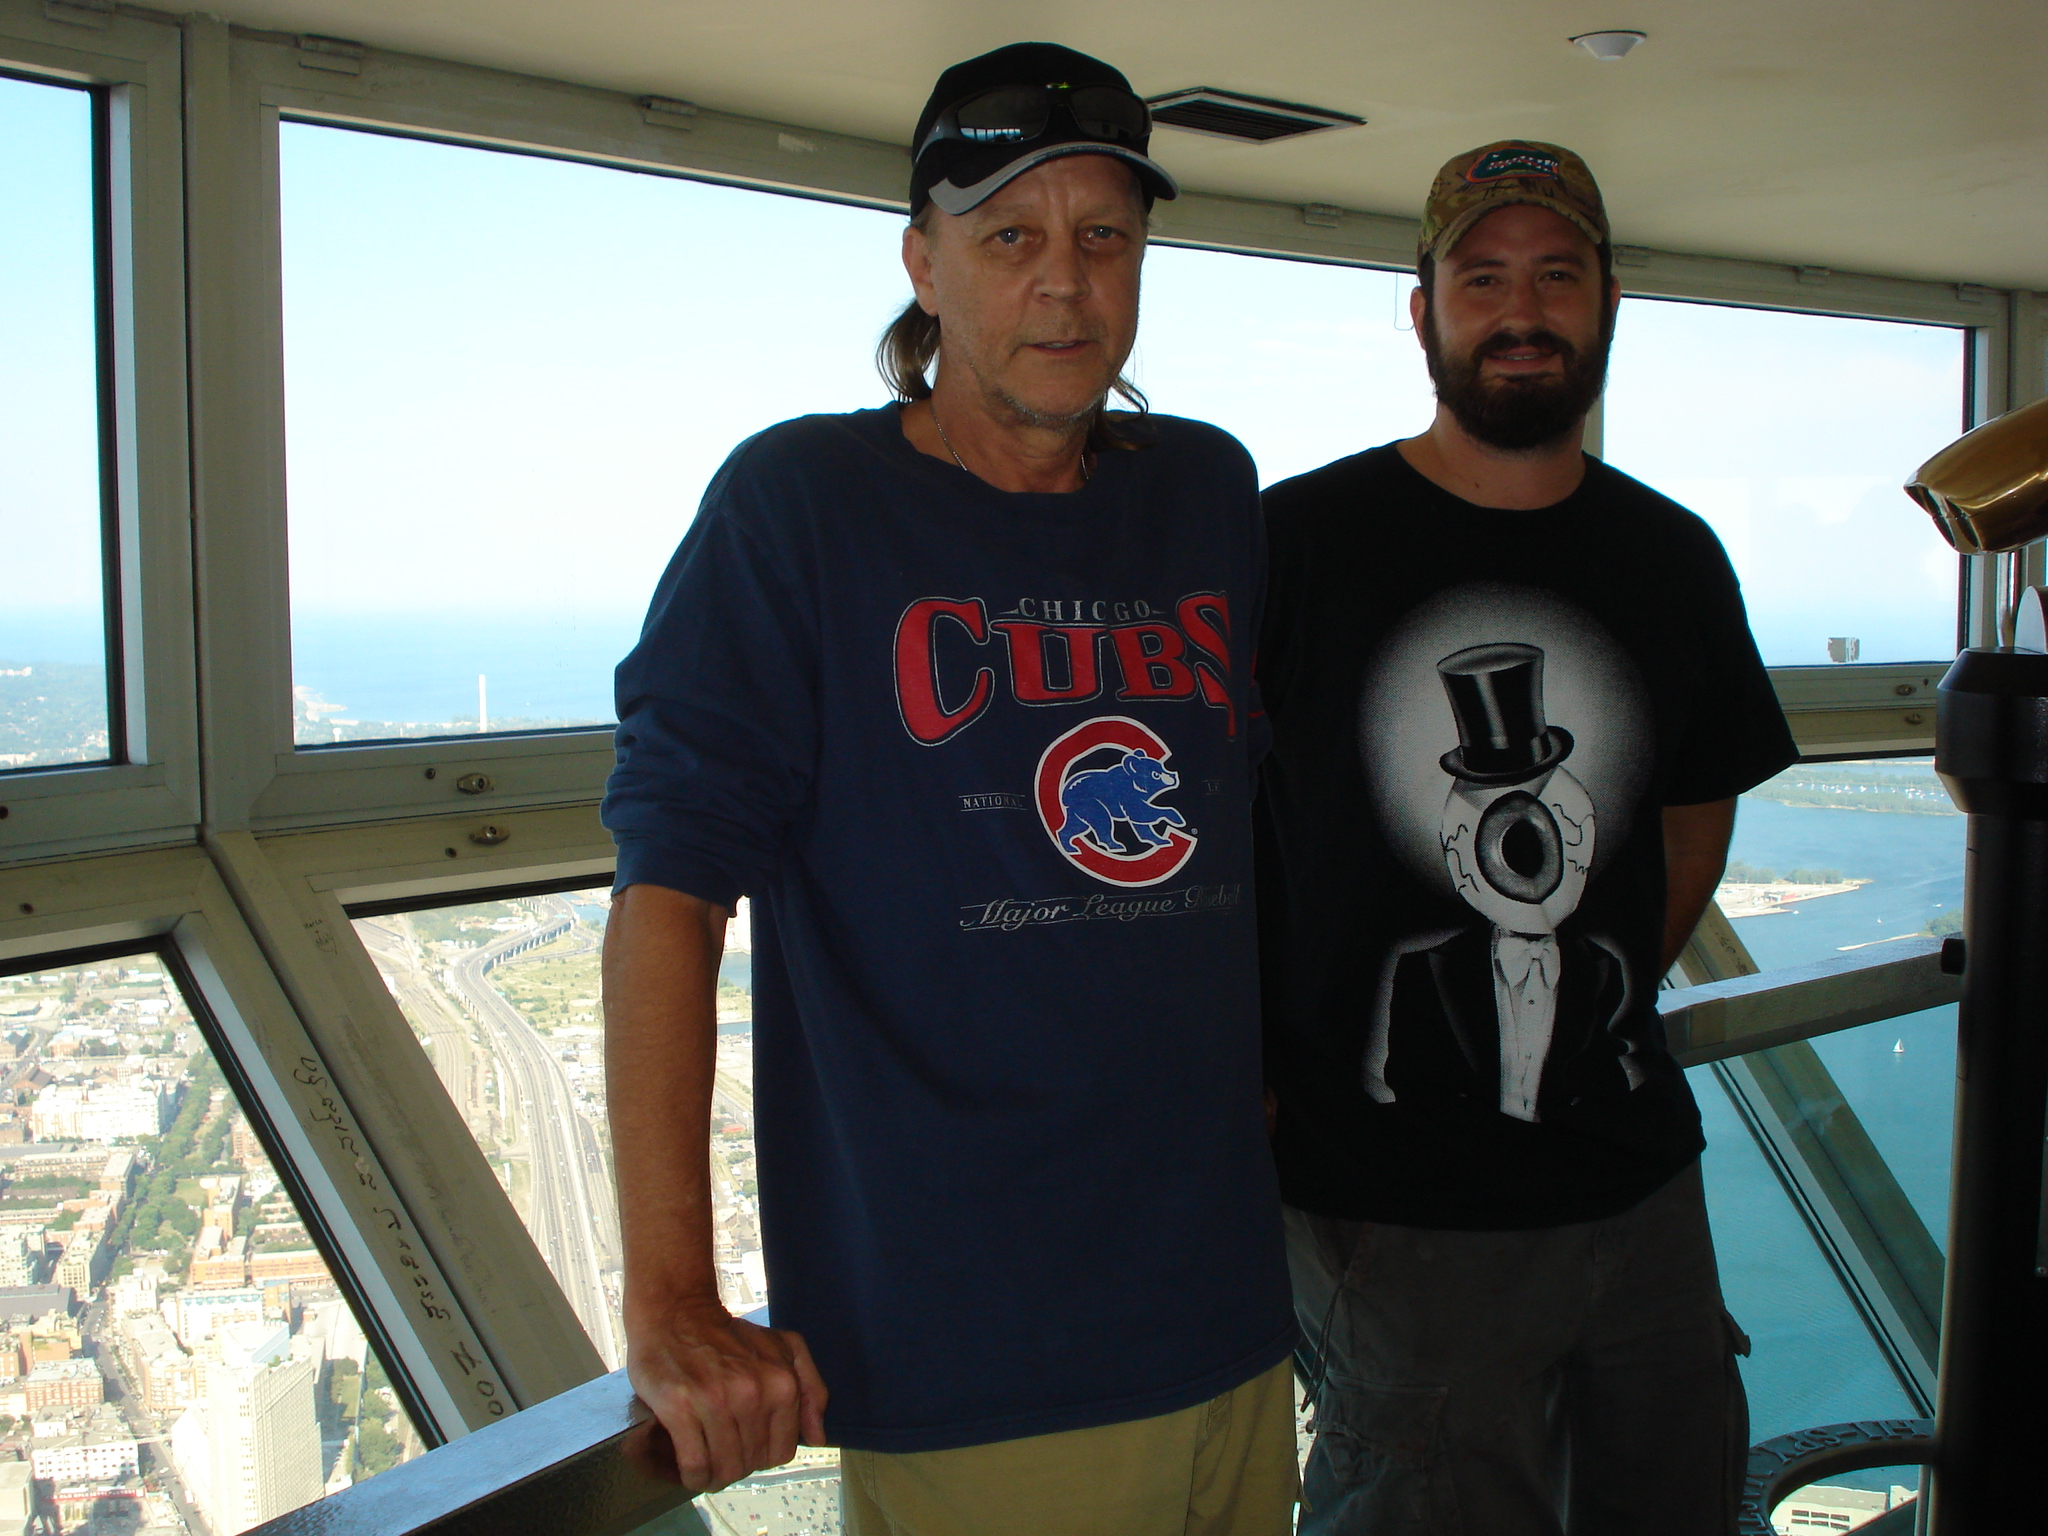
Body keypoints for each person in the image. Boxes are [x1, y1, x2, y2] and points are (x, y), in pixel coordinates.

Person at [600, 42, 1297, 1536]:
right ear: (924, 264)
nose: (1064, 284)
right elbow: (671, 887)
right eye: (1010, 237)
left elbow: (1242, 832)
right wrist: (672, 1303)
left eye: (1104, 237)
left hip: (1232, 1314)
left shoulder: (1207, 493)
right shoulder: (803, 507)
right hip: (974, 1345)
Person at [1254, 139, 1798, 1533]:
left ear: (1610, 302)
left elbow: (1694, 816)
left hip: (1636, 1178)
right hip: (1386, 1210)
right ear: (1422, 310)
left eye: (1557, 276)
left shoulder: (1672, 556)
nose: (1522, 312)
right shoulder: (1293, 546)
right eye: (1482, 277)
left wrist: (1584, 991)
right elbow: (1213, 836)